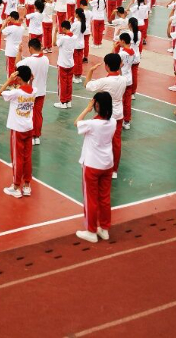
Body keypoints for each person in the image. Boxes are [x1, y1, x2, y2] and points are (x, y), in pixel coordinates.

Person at [75, 91, 116, 243]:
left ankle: (91, 230)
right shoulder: (112, 122)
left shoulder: (92, 123)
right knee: (104, 198)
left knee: (90, 199)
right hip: (107, 163)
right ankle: (104, 229)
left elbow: (77, 122)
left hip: (92, 164)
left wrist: (87, 108)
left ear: (97, 105)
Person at [83, 53, 127, 179]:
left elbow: (87, 86)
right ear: (119, 65)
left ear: (106, 66)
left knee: (100, 141)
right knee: (116, 142)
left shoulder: (104, 81)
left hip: (106, 114)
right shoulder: (124, 79)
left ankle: (100, 165)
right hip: (118, 114)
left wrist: (90, 71)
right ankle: (114, 170)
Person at [0, 65, 35, 198]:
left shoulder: (16, 93)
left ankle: (15, 186)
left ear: (18, 78)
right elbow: (30, 85)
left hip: (17, 129)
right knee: (27, 157)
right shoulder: (34, 91)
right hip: (29, 127)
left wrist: (9, 80)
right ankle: (26, 185)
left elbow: (0, 92)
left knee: (17, 158)